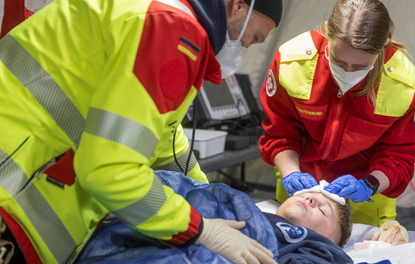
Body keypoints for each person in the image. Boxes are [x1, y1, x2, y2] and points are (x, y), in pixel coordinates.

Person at [0, 0, 282, 263]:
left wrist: (208, 192)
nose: (246, 47)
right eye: (253, 38)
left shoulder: (155, 12)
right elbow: (110, 170)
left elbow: (163, 136)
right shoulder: (173, 30)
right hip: (13, 193)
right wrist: (200, 229)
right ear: (237, 6)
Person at [259, 0, 415, 227]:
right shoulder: (292, 62)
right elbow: (280, 134)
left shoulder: (404, 85)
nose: (347, 72)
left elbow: (400, 156)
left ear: (384, 45)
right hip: (300, 181)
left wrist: (368, 185)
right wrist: (292, 175)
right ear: (328, 32)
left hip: (367, 194)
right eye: (338, 61)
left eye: (360, 66)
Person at [76, 170, 354, 264]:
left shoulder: (320, 249)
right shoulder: (250, 209)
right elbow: (197, 191)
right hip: (183, 218)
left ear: (332, 240)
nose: (310, 198)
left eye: (322, 209)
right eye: (309, 195)